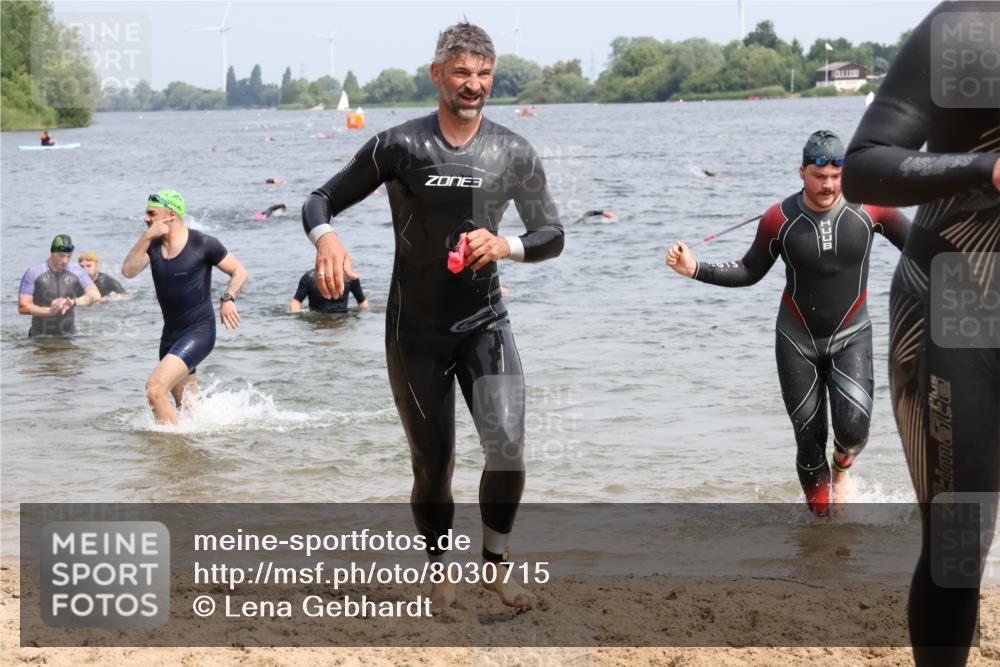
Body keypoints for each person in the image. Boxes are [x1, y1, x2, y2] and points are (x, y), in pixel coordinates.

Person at [300, 22, 564, 612]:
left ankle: (494, 563)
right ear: (437, 74)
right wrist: (326, 239)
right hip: (414, 332)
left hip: (484, 323)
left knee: (508, 447)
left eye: (483, 75)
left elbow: (552, 235)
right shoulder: (398, 146)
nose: (474, 86)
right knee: (433, 465)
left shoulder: (512, 150)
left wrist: (507, 246)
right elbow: (319, 198)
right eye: (462, 73)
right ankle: (438, 566)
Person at [842, 3, 1000, 664]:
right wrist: (986, 170)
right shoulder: (970, 29)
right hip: (958, 303)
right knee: (958, 547)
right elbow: (865, 166)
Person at [666, 130, 910, 518]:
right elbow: (749, 270)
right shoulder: (779, 219)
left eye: (835, 176)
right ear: (802, 172)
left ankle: (843, 466)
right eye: (819, 176)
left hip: (852, 336)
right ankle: (823, 526)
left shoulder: (872, 210)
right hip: (796, 340)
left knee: (853, 430)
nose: (828, 185)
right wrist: (695, 269)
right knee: (808, 440)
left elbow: (918, 247)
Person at [122, 190, 248, 425]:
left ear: (170, 215)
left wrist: (227, 298)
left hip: (199, 333)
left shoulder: (202, 243)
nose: (146, 218)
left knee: (154, 390)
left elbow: (239, 271)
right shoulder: (152, 245)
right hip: (170, 337)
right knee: (188, 410)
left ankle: (170, 453)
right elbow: (128, 271)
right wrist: (147, 237)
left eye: (151, 213)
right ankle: (190, 455)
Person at [18, 234, 101, 336]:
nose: (65, 260)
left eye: (69, 256)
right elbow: (23, 307)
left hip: (69, 336)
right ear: (52, 252)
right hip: (40, 337)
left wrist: (74, 302)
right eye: (61, 255)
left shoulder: (78, 272)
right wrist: (49, 311)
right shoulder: (33, 272)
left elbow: (96, 295)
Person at [289, 270, 368, 313]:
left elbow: (362, 301)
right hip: (317, 317)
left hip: (342, 320)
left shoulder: (350, 277)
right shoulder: (309, 277)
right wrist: (296, 316)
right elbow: (296, 302)